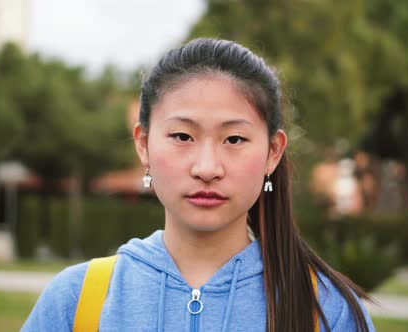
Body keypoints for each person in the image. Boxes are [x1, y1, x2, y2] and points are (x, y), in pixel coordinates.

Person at [22, 38, 375, 332]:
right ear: (143, 145)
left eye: (234, 139)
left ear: (273, 152)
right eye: (182, 136)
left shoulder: (328, 312)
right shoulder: (77, 301)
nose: (207, 168)